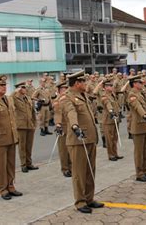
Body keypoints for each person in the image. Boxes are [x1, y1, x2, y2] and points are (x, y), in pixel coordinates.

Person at [63, 71, 103, 213]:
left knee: (90, 170)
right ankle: (80, 202)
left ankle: (89, 198)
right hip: (78, 140)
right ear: (77, 83)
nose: (86, 84)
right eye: (83, 82)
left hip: (89, 138)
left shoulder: (83, 95)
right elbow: (70, 113)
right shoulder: (68, 98)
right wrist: (75, 126)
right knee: (79, 173)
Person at [127, 74, 146, 182]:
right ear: (134, 84)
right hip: (138, 126)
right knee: (139, 152)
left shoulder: (141, 93)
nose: (142, 84)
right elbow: (137, 106)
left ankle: (145, 170)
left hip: (145, 125)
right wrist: (145, 116)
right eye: (139, 82)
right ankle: (139, 173)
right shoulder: (132, 94)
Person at [12, 82, 38, 173]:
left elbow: (32, 111)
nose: (25, 89)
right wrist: (15, 92)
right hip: (21, 126)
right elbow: (10, 99)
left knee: (29, 146)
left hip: (29, 125)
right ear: (18, 89)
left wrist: (34, 123)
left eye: (25, 87)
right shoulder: (14, 98)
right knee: (22, 146)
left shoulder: (28, 98)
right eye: (22, 87)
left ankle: (29, 163)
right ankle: (23, 165)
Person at [100, 78, 123, 161]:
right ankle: (110, 155)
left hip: (115, 119)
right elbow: (108, 104)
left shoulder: (113, 95)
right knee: (109, 139)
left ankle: (115, 153)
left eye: (111, 85)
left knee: (115, 138)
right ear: (105, 87)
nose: (111, 87)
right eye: (109, 86)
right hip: (108, 120)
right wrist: (111, 111)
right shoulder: (104, 96)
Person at [53, 80, 72, 177]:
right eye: (64, 89)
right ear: (59, 90)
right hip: (63, 127)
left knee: (71, 148)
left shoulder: (68, 99)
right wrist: (58, 124)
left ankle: (71, 166)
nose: (66, 90)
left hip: (70, 127)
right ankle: (65, 168)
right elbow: (57, 113)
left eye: (66, 88)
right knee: (63, 150)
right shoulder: (57, 101)